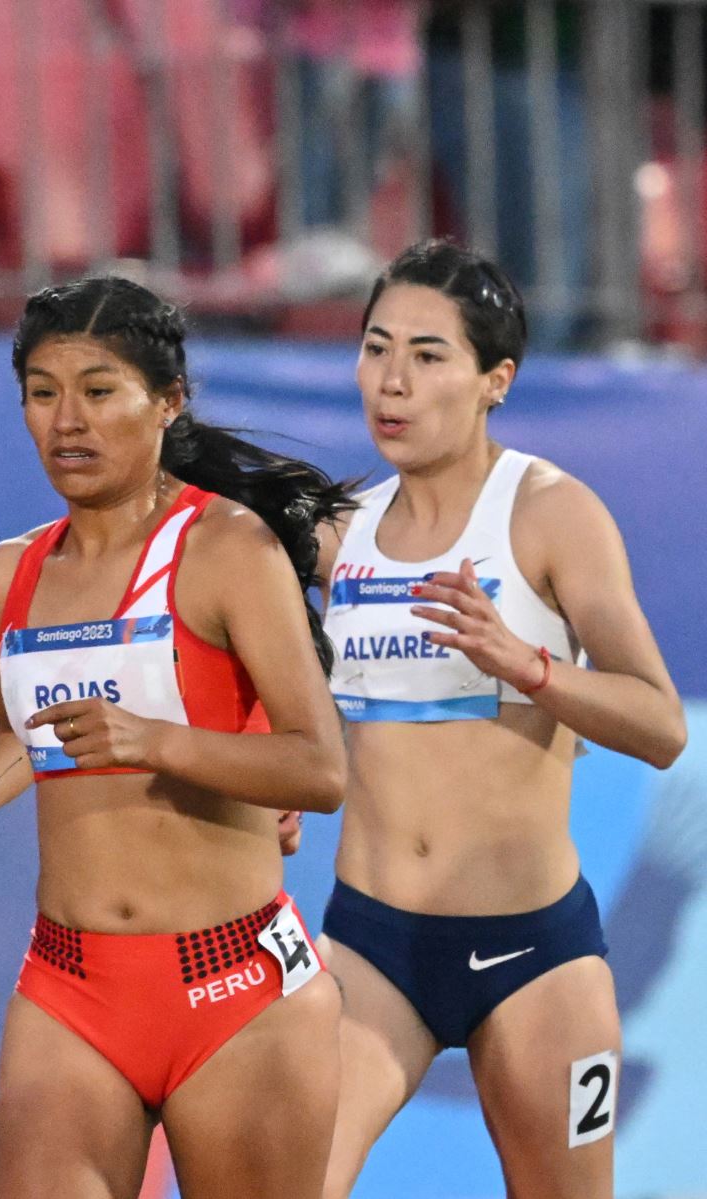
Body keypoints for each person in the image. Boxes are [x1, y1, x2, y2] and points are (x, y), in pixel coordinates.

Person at [0, 275, 354, 1198]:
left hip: (236, 993)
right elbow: (11, 725)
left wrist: (155, 740)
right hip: (68, 988)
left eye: (99, 389)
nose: (67, 420)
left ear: (168, 401)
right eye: (42, 392)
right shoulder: (6, 575)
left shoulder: (228, 550)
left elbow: (319, 768)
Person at [317, 240, 687, 1197]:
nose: (392, 381)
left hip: (535, 954)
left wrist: (528, 666)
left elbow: (661, 724)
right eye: (375, 347)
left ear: (497, 380)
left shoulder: (552, 514)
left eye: (428, 355)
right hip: (370, 946)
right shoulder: (339, 530)